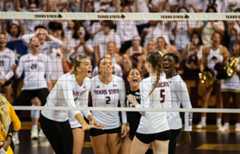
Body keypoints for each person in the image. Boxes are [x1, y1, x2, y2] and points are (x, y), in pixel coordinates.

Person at [40, 55, 101, 154]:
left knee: (68, 151)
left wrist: (90, 118)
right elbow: (71, 105)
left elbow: (83, 105)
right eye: (86, 64)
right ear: (78, 68)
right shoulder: (66, 80)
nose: (90, 66)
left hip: (63, 119)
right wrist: (83, 123)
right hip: (49, 119)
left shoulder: (87, 82)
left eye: (90, 64)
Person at [130, 52, 171, 154]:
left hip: (147, 127)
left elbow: (144, 111)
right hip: (163, 127)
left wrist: (134, 103)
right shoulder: (165, 79)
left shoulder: (145, 83)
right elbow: (169, 106)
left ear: (148, 65)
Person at [90, 56, 128, 154]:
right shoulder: (92, 82)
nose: (108, 65)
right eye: (104, 63)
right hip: (97, 124)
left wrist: (124, 122)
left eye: (110, 63)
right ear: (99, 69)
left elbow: (123, 105)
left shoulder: (119, 81)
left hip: (114, 123)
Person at [15, 36, 49, 139]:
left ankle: (44, 130)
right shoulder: (24, 58)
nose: (35, 43)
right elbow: (18, 74)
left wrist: (49, 86)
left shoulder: (45, 57)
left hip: (41, 86)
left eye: (37, 41)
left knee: (49, 107)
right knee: (15, 108)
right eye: (32, 41)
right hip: (28, 87)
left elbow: (49, 74)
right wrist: (15, 70)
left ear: (40, 44)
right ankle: (14, 132)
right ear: (29, 45)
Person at [162, 53, 192, 154]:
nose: (166, 62)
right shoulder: (159, 79)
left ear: (176, 64)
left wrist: (187, 129)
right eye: (164, 60)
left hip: (172, 125)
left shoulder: (179, 82)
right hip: (158, 123)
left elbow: (188, 107)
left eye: (169, 60)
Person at [120, 68, 153, 154]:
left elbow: (148, 113)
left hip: (145, 131)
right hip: (131, 131)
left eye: (137, 74)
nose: (135, 75)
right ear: (128, 78)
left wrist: (135, 103)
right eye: (132, 74)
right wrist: (125, 123)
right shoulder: (125, 94)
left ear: (141, 78)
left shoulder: (145, 93)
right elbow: (123, 111)